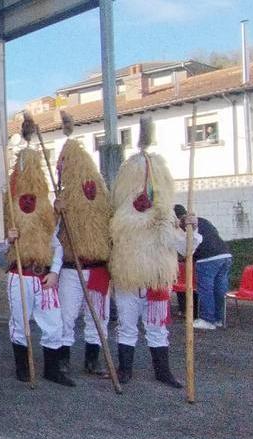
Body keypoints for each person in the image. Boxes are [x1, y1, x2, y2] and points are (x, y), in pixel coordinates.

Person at [109, 118, 200, 388]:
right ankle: (124, 370)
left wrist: (190, 228)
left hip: (156, 282)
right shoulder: (120, 221)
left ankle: (163, 371)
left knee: (157, 328)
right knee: (126, 325)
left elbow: (185, 248)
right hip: (128, 280)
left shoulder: (165, 218)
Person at [6, 144, 74, 386]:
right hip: (19, 274)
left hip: (44, 276)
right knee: (19, 322)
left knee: (54, 322)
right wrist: (8, 238)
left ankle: (52, 369)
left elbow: (56, 244)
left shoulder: (46, 207)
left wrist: (55, 272)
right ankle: (23, 368)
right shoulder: (8, 206)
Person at [53, 122, 114, 375]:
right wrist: (56, 212)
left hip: (98, 268)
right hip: (71, 268)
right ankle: (63, 358)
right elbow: (51, 233)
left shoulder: (103, 197)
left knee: (99, 316)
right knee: (67, 314)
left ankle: (92, 360)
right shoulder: (63, 199)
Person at [175, 204, 231, 330]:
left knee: (206, 289)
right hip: (225, 254)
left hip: (207, 258)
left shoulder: (185, 224)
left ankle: (207, 319)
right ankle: (218, 319)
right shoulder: (202, 220)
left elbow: (187, 245)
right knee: (219, 289)